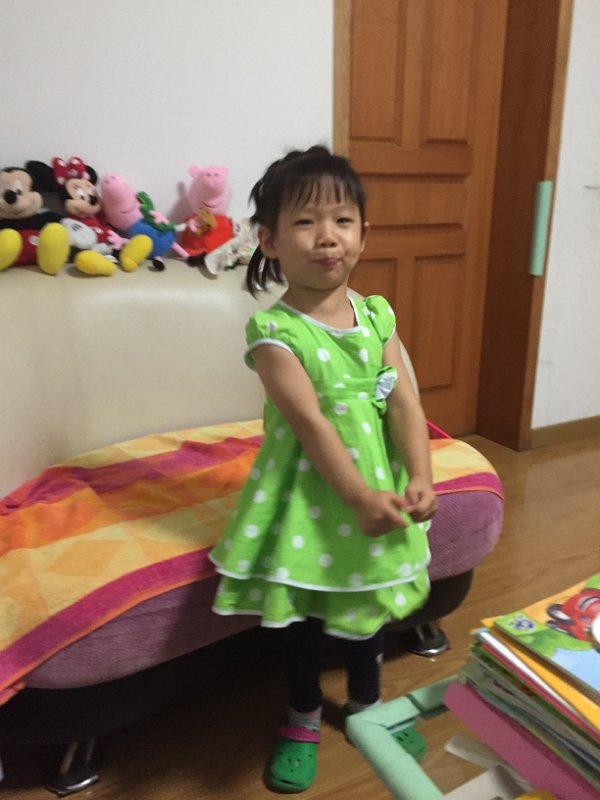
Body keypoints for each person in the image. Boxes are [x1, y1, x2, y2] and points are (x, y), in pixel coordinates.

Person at [209, 145, 437, 792]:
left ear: (363, 232)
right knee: (306, 617)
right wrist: (357, 496)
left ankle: (368, 708)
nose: (327, 236)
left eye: (342, 220)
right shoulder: (275, 333)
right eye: (305, 222)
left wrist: (421, 475)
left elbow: (405, 401)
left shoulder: (376, 315)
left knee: (367, 604)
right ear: (269, 240)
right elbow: (309, 424)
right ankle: (303, 717)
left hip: (377, 491)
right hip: (310, 498)